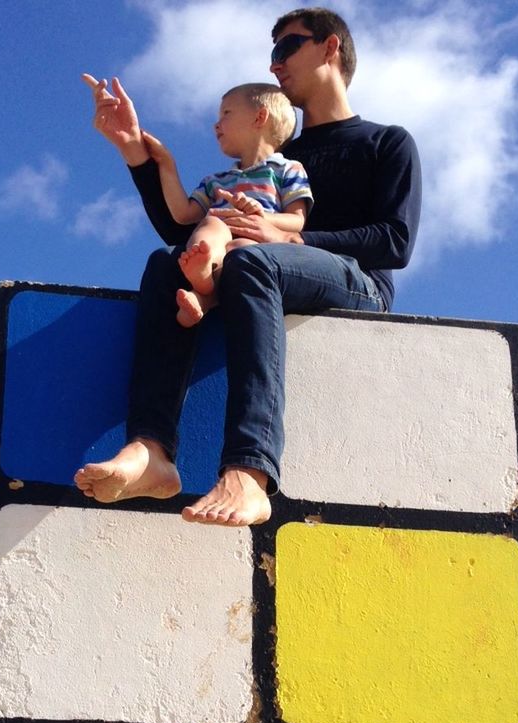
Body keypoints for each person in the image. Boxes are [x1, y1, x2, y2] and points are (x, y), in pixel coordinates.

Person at [75, 7, 421, 526]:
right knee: (167, 264)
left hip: (358, 282)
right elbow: (183, 231)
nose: (275, 64)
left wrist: (289, 234)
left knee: (254, 261)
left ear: (330, 48)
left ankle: (249, 473)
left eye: (287, 48)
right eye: (272, 54)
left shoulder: (386, 141)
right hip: (256, 267)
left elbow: (394, 241)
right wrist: (136, 154)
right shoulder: (276, 157)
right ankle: (151, 450)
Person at [137, 83, 312, 327]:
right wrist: (167, 164)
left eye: (226, 114)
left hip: (258, 241)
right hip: (221, 234)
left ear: (260, 117)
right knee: (211, 222)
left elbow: (297, 221)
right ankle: (203, 271)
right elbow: (183, 214)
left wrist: (262, 216)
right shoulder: (216, 181)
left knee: (241, 250)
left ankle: (203, 298)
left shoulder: (288, 169)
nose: (216, 124)